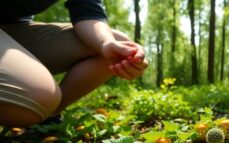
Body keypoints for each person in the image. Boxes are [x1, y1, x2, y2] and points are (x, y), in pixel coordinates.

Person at [0, 0, 148, 127]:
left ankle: (46, 117)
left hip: (14, 29)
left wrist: (106, 43)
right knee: (38, 95)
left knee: (117, 41)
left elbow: (88, 13)